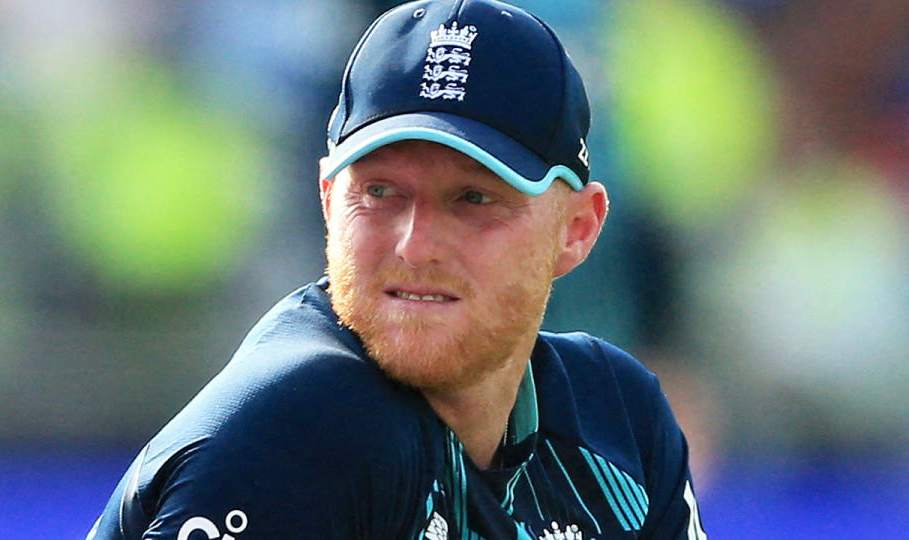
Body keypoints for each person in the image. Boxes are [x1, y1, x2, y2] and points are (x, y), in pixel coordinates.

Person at [88, 0, 707, 538]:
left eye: (474, 199)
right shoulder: (305, 431)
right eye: (381, 193)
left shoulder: (619, 419)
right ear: (329, 201)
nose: (416, 245)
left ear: (578, 228)